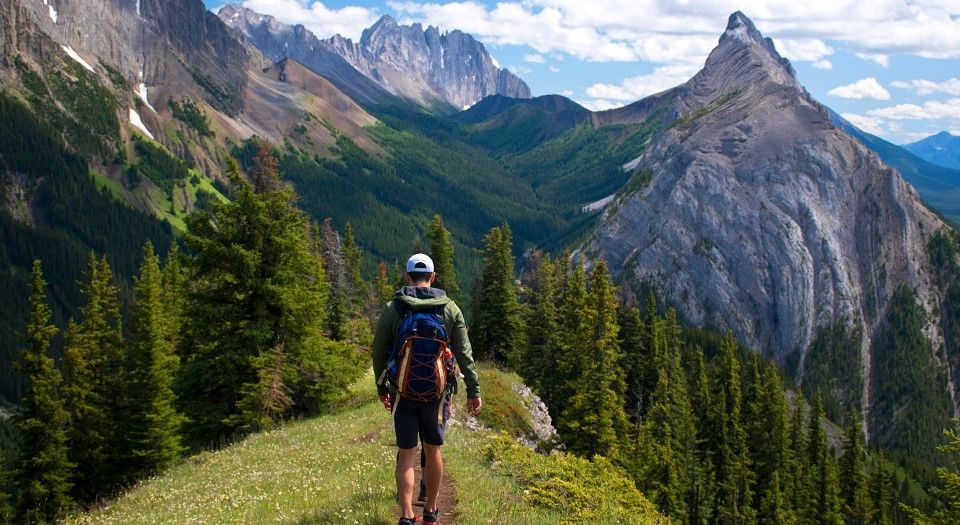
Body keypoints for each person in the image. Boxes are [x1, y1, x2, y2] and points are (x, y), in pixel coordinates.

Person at [373, 253, 482, 525]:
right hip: (437, 395)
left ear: (408, 277)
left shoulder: (393, 308)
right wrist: (474, 390)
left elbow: (378, 352)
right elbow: (464, 353)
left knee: (407, 453)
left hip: (404, 392)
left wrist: (381, 387)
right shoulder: (450, 309)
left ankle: (407, 516)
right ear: (432, 278)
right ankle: (431, 512)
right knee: (433, 450)